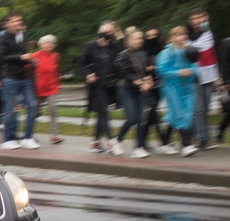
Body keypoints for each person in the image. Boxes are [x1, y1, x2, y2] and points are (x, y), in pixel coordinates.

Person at [155, 26, 199, 156]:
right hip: (171, 87)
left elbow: (194, 65)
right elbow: (162, 70)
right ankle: (186, 145)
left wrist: (191, 72)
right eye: (178, 35)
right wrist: (178, 72)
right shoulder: (167, 52)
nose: (181, 37)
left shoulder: (188, 50)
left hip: (186, 86)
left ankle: (164, 143)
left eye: (183, 34)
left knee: (180, 114)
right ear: (172, 37)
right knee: (180, 113)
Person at [0, 14, 38, 150]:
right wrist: (20, 57)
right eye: (15, 21)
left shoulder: (23, 35)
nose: (18, 23)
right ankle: (7, 139)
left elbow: (23, 53)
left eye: (19, 20)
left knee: (32, 105)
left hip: (25, 77)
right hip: (10, 78)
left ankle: (27, 137)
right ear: (8, 24)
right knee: (12, 109)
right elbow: (1, 58)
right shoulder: (3, 38)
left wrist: (30, 60)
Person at [79, 21, 120, 153]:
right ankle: (110, 141)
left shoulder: (114, 47)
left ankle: (95, 142)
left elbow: (124, 52)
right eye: (105, 31)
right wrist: (88, 73)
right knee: (103, 111)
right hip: (96, 84)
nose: (107, 34)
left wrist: (119, 34)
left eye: (111, 31)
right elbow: (83, 62)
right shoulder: (92, 46)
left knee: (102, 113)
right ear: (99, 32)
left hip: (109, 84)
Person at [114, 29, 153, 158]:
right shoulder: (123, 55)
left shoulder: (143, 54)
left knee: (142, 119)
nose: (139, 41)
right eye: (135, 38)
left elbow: (146, 71)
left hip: (140, 90)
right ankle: (117, 141)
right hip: (127, 90)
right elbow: (123, 72)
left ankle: (139, 147)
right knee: (132, 119)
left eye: (140, 38)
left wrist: (148, 81)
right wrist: (138, 82)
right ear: (128, 40)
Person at [185, 8, 221, 150]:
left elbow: (212, 54)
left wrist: (218, 77)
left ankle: (192, 134)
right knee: (199, 109)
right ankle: (203, 139)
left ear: (205, 18)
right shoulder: (186, 35)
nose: (197, 21)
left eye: (199, 17)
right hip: (194, 75)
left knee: (205, 108)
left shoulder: (208, 33)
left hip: (209, 75)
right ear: (190, 21)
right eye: (194, 18)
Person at [31, 34, 62, 145]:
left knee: (53, 110)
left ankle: (55, 135)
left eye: (51, 43)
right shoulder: (35, 56)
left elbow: (56, 72)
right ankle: (30, 134)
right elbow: (28, 70)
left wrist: (58, 84)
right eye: (46, 43)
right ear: (41, 45)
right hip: (37, 89)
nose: (49, 45)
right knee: (34, 112)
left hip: (51, 88)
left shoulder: (55, 56)